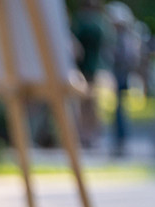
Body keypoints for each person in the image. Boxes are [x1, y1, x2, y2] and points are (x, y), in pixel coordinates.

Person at [106, 1, 142, 155]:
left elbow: (129, 58)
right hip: (117, 76)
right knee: (117, 110)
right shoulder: (118, 36)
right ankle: (119, 139)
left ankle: (121, 140)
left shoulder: (125, 38)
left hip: (121, 76)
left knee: (120, 110)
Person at [72, 0, 105, 147]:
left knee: (87, 103)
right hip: (90, 69)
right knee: (89, 104)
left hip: (86, 69)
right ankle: (89, 135)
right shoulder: (99, 24)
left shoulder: (86, 25)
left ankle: (87, 135)